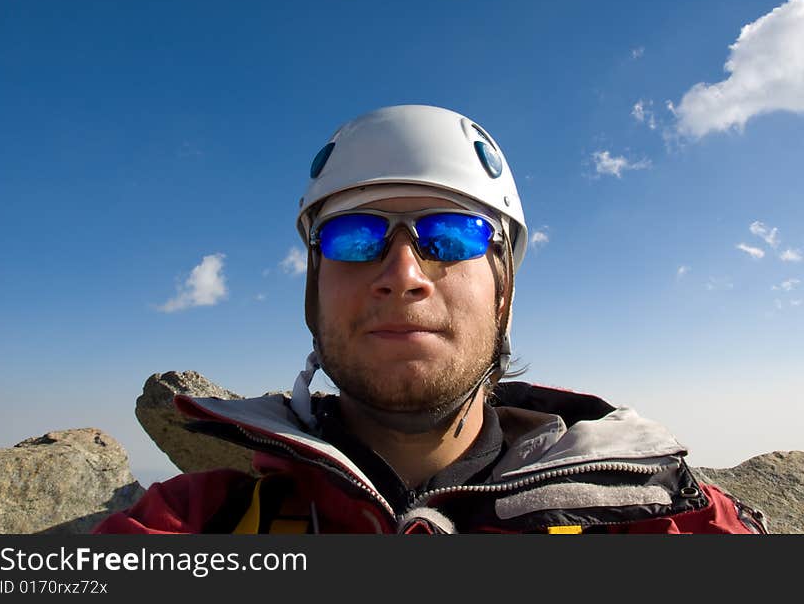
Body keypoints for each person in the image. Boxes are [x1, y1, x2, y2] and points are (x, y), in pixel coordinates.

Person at [94, 105, 767, 534]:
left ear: (504, 288)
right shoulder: (201, 523)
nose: (403, 275)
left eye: (450, 236)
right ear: (313, 285)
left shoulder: (660, 519)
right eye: (356, 237)